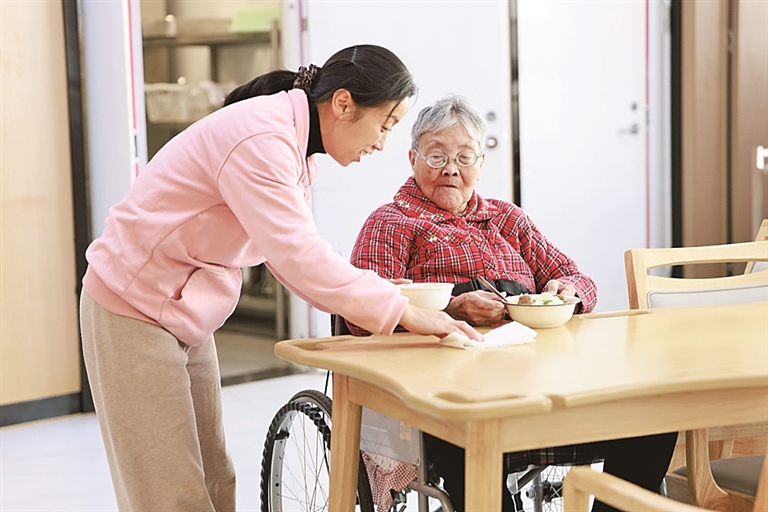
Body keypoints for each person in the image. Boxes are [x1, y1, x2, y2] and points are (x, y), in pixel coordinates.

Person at [79, 45, 482, 512]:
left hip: (184, 309)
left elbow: (295, 251)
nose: (381, 143)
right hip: (133, 306)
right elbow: (295, 255)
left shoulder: (297, 147)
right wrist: (404, 312)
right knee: (170, 492)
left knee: (215, 478)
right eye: (386, 125)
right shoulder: (262, 140)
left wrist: (389, 299)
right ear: (343, 104)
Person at [346, 95, 677, 512]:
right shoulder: (390, 223)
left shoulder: (507, 219)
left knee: (654, 426)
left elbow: (580, 280)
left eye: (465, 157)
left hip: (535, 388)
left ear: (481, 165)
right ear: (413, 158)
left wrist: (565, 293)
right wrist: (451, 309)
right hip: (448, 402)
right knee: (472, 443)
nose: (451, 168)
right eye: (437, 156)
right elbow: (360, 317)